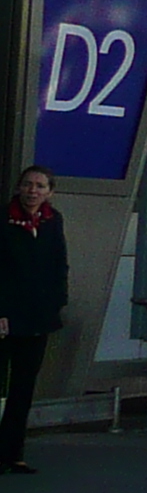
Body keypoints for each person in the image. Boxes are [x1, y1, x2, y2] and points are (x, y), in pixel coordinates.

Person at [0, 166, 67, 476]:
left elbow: (59, 263)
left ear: (49, 192)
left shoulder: (53, 221)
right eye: (27, 184)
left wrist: (57, 304)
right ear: (18, 187)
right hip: (6, 317)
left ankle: (13, 454)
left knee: (23, 389)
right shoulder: (4, 218)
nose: (33, 191)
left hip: (38, 317)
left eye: (40, 186)